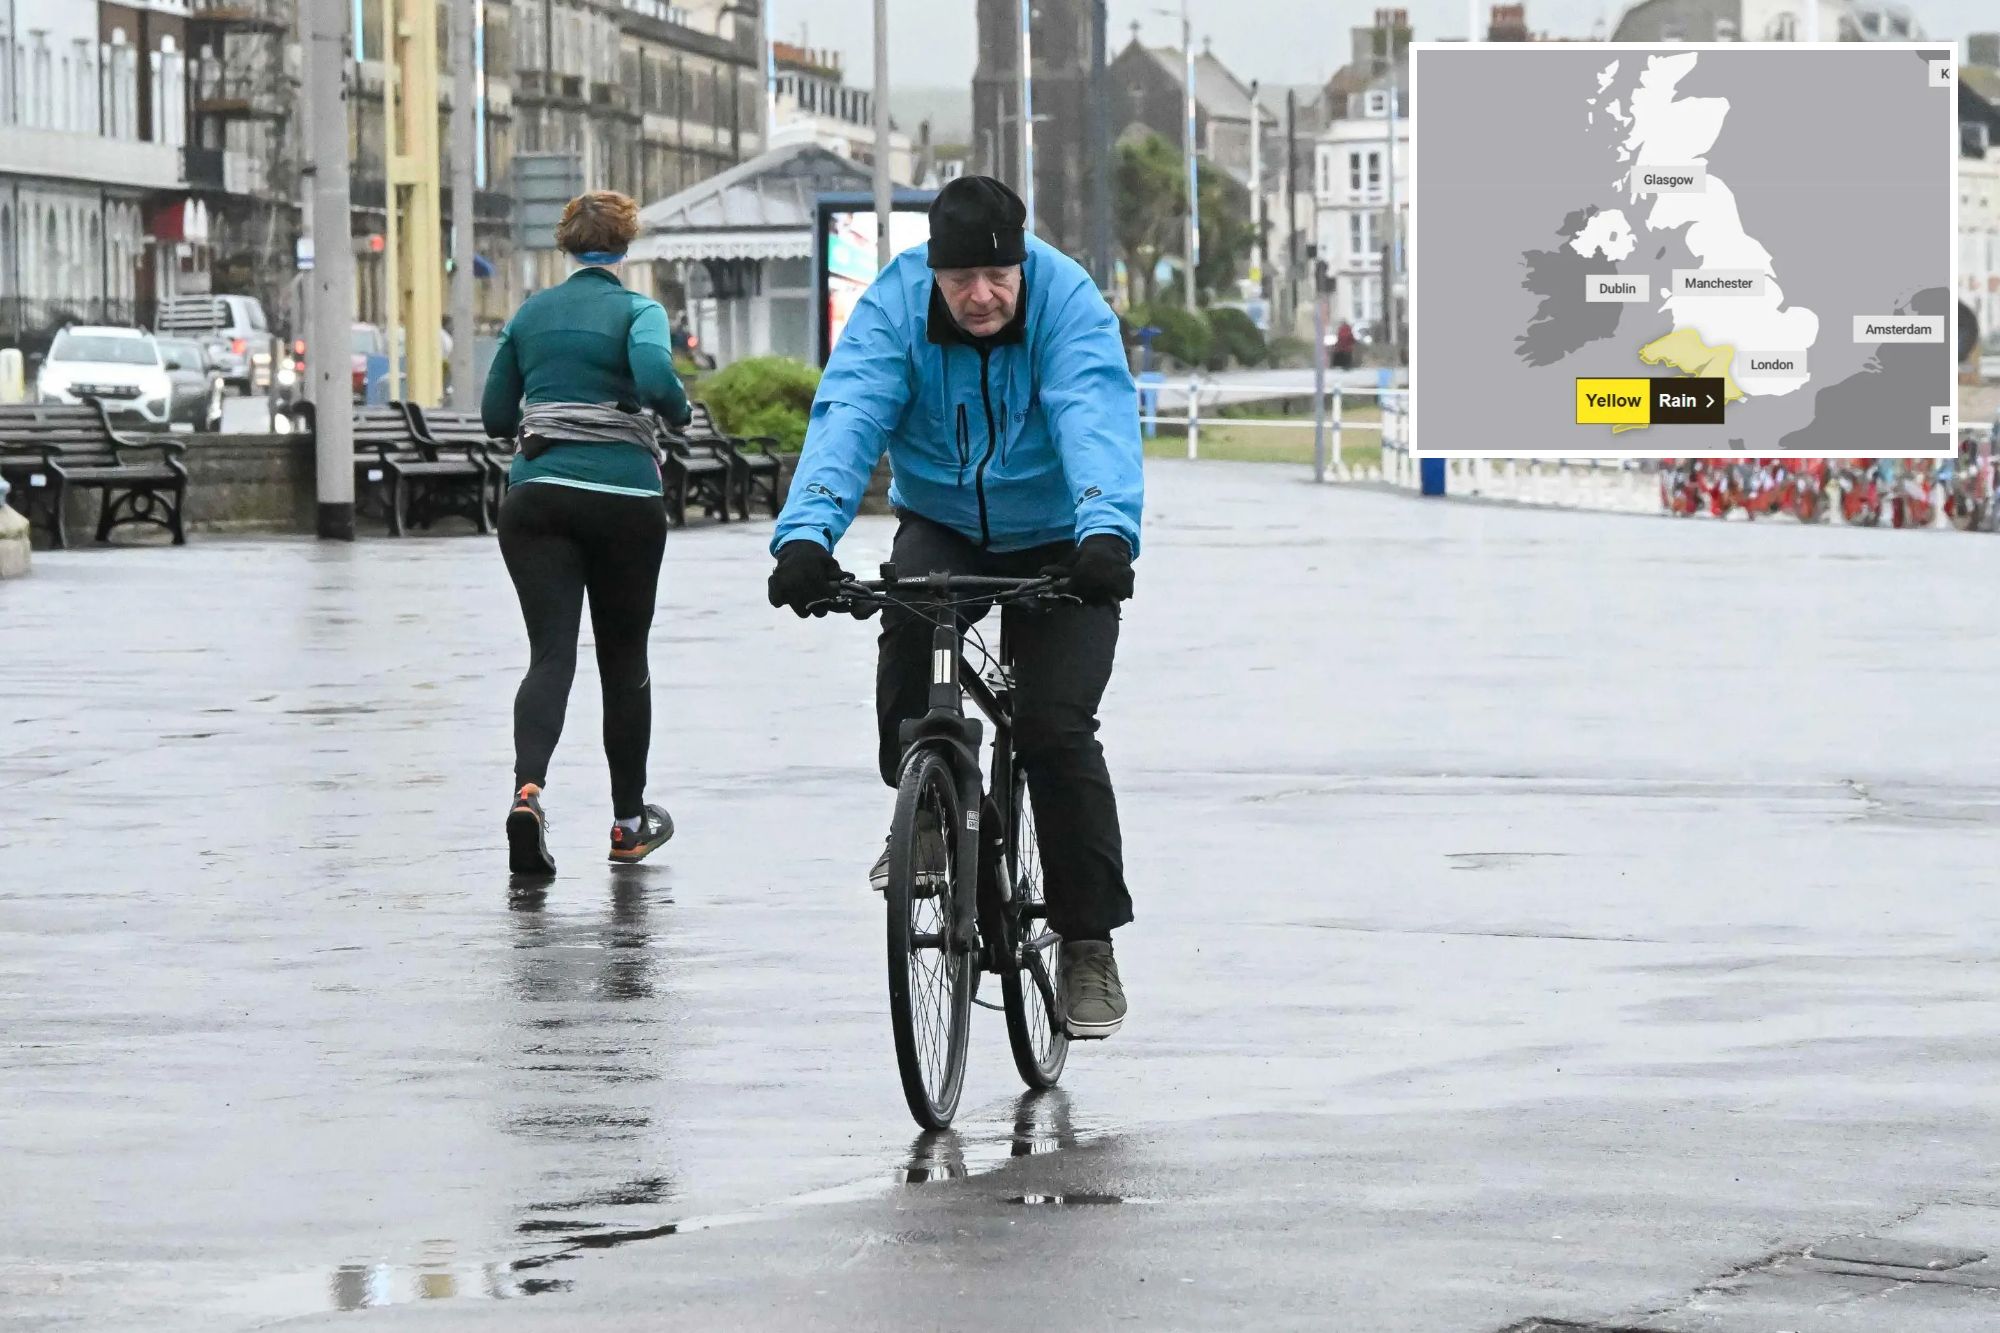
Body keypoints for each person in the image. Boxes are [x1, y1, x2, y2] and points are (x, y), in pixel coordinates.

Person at [764, 176, 1144, 1041]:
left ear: (1022, 263)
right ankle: (928, 812)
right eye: (958, 277)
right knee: (905, 621)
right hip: (943, 520)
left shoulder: (1067, 304)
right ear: (932, 270)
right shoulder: (895, 307)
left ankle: (1088, 941)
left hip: (1064, 535)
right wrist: (805, 539)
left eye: (995, 277)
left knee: (1053, 727)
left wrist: (1106, 534)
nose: (978, 296)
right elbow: (849, 412)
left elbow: (1093, 414)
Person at [482, 190, 692, 876]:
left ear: (566, 246)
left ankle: (528, 792)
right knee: (623, 659)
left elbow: (492, 414)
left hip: (536, 499)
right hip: (624, 500)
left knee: (550, 656)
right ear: (624, 246)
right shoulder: (639, 310)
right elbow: (659, 379)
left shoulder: (531, 313)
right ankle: (629, 825)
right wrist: (677, 410)